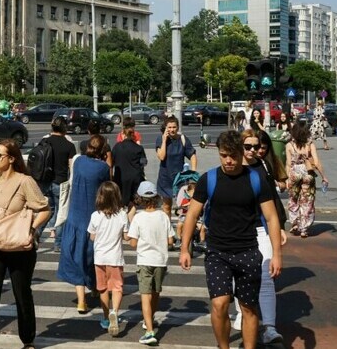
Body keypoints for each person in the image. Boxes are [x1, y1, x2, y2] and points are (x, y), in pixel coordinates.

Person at [179, 130, 282, 349]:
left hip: (248, 251)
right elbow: (192, 214)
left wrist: (276, 255)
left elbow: (272, 218)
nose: (228, 160)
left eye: (233, 155)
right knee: (219, 304)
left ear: (241, 154)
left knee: (248, 308)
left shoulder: (256, 179)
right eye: (224, 155)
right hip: (218, 252)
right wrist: (184, 249)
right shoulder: (209, 179)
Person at [0, 139, 51, 349]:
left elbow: (45, 209)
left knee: (21, 293)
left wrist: (32, 230)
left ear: (12, 158)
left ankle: (28, 339)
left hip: (20, 246)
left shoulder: (24, 181)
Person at [233, 130, 288, 344]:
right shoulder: (232, 167)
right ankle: (242, 313)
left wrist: (280, 226)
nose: (254, 151)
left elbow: (273, 199)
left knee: (266, 278)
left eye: (257, 147)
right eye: (248, 147)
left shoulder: (263, 165)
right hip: (238, 231)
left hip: (261, 228)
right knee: (239, 276)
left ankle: (270, 328)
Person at [57, 135, 111, 314]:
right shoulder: (103, 168)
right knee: (94, 256)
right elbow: (106, 188)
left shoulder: (78, 162)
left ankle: (81, 301)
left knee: (76, 257)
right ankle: (95, 287)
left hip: (75, 215)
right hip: (93, 216)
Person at [128, 180, 175, 346]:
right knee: (155, 292)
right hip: (160, 260)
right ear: (156, 197)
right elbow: (170, 240)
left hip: (144, 260)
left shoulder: (138, 218)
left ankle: (149, 331)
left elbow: (133, 243)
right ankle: (150, 320)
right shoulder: (163, 216)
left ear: (139, 198)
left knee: (145, 295)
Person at [87, 181, 129, 337]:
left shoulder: (95, 216)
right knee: (117, 287)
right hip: (115, 258)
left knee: (102, 288)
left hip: (100, 258)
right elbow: (125, 236)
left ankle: (105, 317)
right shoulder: (122, 215)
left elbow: (92, 237)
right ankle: (115, 312)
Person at [38, 116, 77, 251]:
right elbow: (72, 167)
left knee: (46, 210)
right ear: (64, 128)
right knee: (62, 213)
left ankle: (36, 234)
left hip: (44, 182)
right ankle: (58, 244)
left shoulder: (44, 141)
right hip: (61, 183)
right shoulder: (69, 145)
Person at [286, 123, 329, 238]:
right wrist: (323, 176)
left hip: (294, 173)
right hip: (307, 173)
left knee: (293, 199)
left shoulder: (289, 145)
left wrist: (286, 178)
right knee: (307, 201)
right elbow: (317, 162)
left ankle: (295, 223)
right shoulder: (310, 145)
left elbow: (288, 164)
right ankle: (304, 228)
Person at [155, 116, 198, 215]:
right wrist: (164, 141)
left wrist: (193, 172)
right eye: (169, 127)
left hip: (180, 178)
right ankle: (167, 228)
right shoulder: (160, 139)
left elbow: (192, 155)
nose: (172, 130)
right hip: (165, 178)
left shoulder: (183, 139)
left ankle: (182, 227)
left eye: (174, 127)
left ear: (178, 127)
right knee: (166, 206)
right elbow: (161, 156)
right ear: (165, 128)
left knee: (184, 205)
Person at [111, 119, 146, 211]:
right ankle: (131, 221)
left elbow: (111, 162)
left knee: (120, 203)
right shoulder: (139, 148)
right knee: (133, 203)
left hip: (120, 178)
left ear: (123, 134)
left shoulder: (117, 147)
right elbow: (144, 162)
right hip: (135, 178)